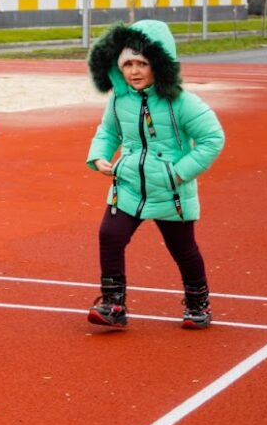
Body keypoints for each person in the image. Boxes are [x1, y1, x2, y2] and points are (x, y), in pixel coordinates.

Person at [85, 20, 224, 330]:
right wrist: (99, 155)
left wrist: (178, 173)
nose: (134, 71)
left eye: (142, 63)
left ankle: (198, 303)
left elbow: (212, 139)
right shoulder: (120, 100)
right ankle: (113, 304)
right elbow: (108, 130)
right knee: (110, 235)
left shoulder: (182, 102)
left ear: (159, 64)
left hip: (170, 190)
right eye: (128, 64)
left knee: (183, 249)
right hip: (129, 184)